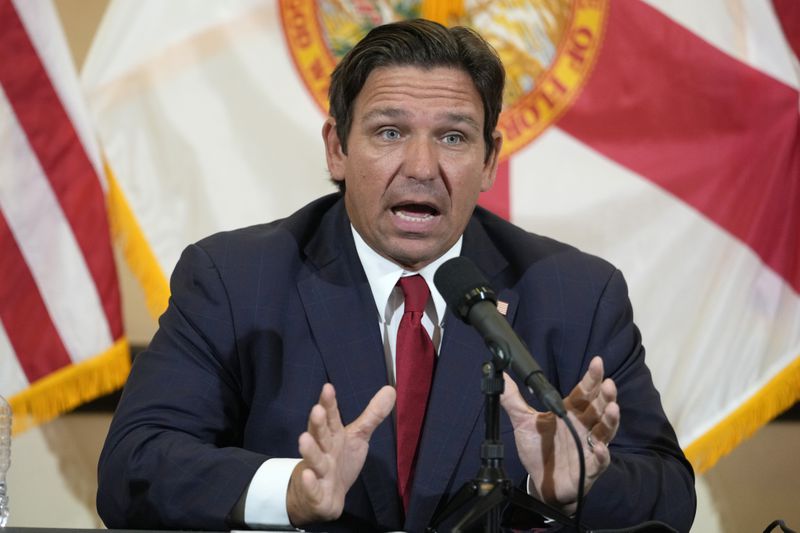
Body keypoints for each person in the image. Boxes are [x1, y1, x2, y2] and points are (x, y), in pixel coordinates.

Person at [96, 19, 696, 532]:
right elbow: (134, 468)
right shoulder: (235, 279)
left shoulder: (574, 293)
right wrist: (291, 491)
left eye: (453, 138)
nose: (421, 166)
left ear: (488, 160)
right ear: (337, 148)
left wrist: (571, 489)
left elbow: (671, 491)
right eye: (389, 132)